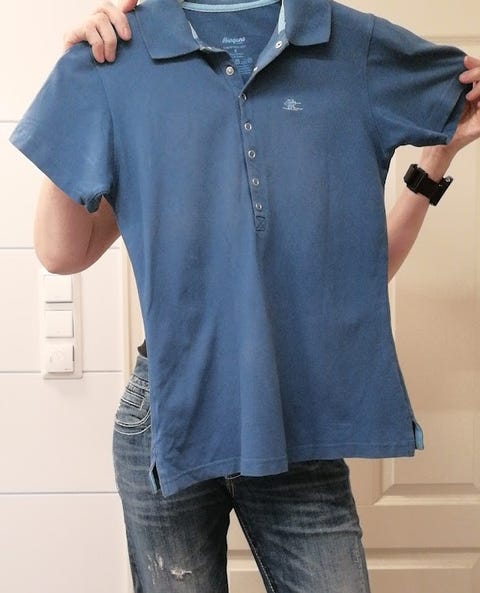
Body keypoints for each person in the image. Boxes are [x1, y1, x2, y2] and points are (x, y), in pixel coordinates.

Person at [11, 1, 480, 591]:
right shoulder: (123, 63)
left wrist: (436, 161)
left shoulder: (348, 48)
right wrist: (75, 108)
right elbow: (61, 254)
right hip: (170, 411)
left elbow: (361, 273)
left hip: (296, 417)